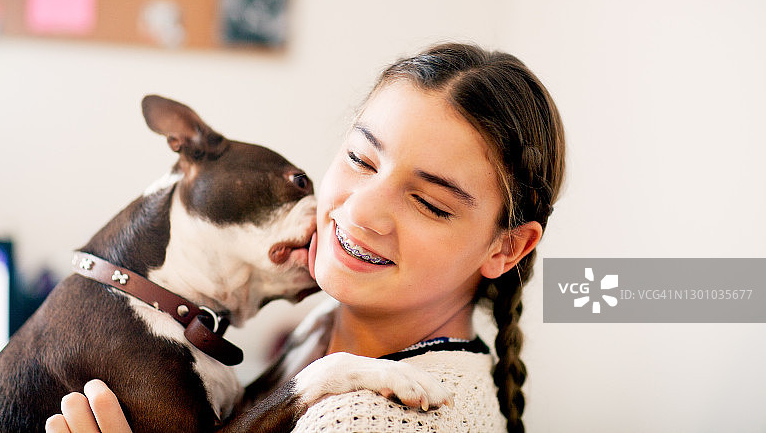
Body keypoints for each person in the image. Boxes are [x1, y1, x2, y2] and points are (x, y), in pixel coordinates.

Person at [45, 42, 565, 433]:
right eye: (361, 160)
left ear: (507, 247)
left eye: (429, 202)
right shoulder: (331, 322)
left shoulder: (367, 420)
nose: (359, 212)